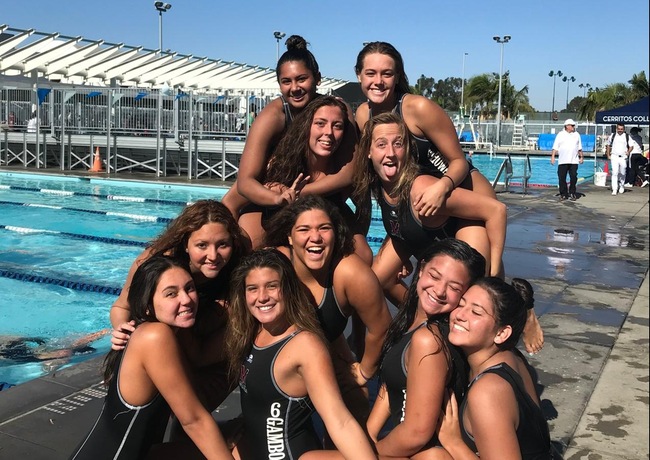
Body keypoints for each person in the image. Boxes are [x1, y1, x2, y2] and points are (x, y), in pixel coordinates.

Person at [70, 256, 234, 459]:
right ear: (148, 305)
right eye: (171, 294)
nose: (186, 299)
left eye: (189, 288)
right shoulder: (154, 337)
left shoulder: (172, 335)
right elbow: (193, 420)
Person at [225, 248, 377, 460]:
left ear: (287, 289)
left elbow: (339, 420)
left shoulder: (305, 345)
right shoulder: (249, 332)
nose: (262, 297)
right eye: (253, 288)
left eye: (272, 286)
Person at [265, 195, 392, 434]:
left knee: (357, 399)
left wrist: (364, 371)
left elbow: (382, 327)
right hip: (277, 360)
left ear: (336, 233)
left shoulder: (351, 273)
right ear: (290, 237)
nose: (315, 237)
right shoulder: (274, 266)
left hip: (323, 350)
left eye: (324, 228)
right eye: (304, 229)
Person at [222, 35, 359, 253]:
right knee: (252, 249)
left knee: (359, 252)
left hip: (308, 192)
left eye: (301, 79)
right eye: (287, 82)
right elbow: (245, 182)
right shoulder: (274, 115)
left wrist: (299, 194)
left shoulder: (336, 112)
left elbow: (349, 174)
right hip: (270, 192)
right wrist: (279, 197)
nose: (294, 88)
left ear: (318, 79)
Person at [110, 199, 250, 411]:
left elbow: (205, 354)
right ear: (185, 243)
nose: (213, 256)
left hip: (202, 347)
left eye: (223, 244)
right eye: (201, 245)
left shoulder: (237, 267)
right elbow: (121, 308)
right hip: (162, 340)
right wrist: (122, 330)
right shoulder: (154, 264)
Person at [353, 112, 506, 298]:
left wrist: (495, 272)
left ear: (407, 149)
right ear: (369, 152)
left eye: (398, 144)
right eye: (381, 144)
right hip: (428, 247)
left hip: (464, 251)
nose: (390, 153)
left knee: (466, 302)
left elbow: (496, 210)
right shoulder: (378, 185)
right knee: (374, 282)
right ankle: (414, 316)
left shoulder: (422, 188)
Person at [366, 239, 485, 459]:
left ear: (466, 295)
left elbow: (417, 434)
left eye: (454, 288)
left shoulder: (429, 340)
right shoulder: (412, 318)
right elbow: (393, 381)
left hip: (428, 452)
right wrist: (369, 434)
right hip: (408, 447)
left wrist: (365, 453)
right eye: (435, 276)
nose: (439, 290)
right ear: (421, 269)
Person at [354, 42, 497, 219]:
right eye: (370, 73)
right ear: (358, 75)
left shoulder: (418, 109)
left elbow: (459, 161)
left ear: (397, 77)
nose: (378, 81)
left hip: (466, 194)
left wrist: (441, 187)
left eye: (387, 74)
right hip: (427, 205)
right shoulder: (362, 116)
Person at [238, 95, 372, 264]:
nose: (328, 133)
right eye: (320, 123)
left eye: (337, 126)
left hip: (319, 226)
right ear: (306, 126)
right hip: (274, 226)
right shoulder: (282, 163)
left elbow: (363, 207)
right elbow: (242, 193)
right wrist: (276, 198)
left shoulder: (342, 173)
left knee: (364, 257)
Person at [437, 277, 552, 459]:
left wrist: (454, 443)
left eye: (476, 312)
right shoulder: (512, 356)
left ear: (501, 333)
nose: (460, 314)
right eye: (461, 304)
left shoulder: (488, 391)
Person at [550, 119, 584, 201]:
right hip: (563, 160)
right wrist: (553, 157)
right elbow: (555, 147)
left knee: (573, 177)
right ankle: (563, 194)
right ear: (567, 126)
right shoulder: (560, 135)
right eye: (572, 126)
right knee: (562, 178)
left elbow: (579, 147)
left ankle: (572, 192)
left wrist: (581, 157)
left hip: (573, 160)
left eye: (573, 125)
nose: (573, 127)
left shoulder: (576, 135)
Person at [606, 123, 632, 196]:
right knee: (615, 172)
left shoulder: (627, 136)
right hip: (614, 156)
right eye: (619, 129)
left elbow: (631, 146)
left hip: (623, 157)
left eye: (621, 129)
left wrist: (628, 151)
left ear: (624, 129)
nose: (620, 130)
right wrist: (608, 155)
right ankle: (614, 189)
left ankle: (622, 185)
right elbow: (608, 145)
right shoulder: (613, 136)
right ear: (616, 129)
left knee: (623, 172)